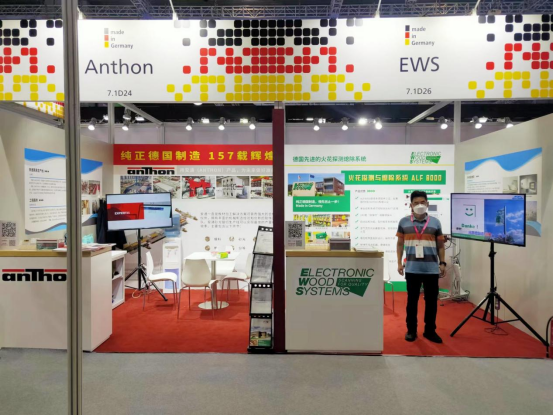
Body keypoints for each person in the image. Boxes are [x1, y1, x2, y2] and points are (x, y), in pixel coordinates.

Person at [396, 190, 446, 343]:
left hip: (431, 269)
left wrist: (442, 262)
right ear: (411, 205)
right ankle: (411, 330)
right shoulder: (403, 222)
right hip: (412, 269)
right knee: (412, 302)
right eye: (416, 203)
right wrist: (399, 262)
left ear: (427, 204)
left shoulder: (435, 222)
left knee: (431, 302)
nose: (419, 205)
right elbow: (400, 244)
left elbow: (441, 245)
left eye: (422, 202)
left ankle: (430, 331)